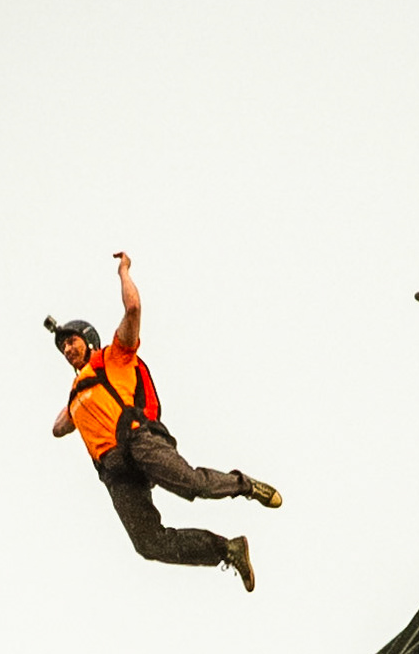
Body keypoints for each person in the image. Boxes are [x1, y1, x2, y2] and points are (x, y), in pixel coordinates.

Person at [46, 253, 281, 591]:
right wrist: (74, 400)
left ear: (88, 338)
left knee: (193, 484)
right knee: (148, 543)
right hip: (115, 472)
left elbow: (133, 309)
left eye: (71, 341)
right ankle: (228, 549)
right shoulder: (75, 397)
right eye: (63, 347)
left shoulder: (113, 358)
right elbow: (58, 429)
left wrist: (124, 271)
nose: (67, 349)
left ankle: (244, 485)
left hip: (138, 441)